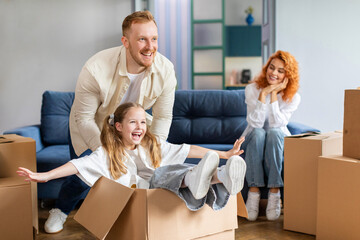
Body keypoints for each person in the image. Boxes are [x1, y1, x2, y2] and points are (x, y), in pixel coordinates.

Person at [46, 10, 178, 233]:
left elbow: (164, 117)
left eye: (154, 38)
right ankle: (60, 210)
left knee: (146, 170)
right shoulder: (95, 68)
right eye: (142, 39)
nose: (150, 46)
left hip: (133, 127)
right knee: (84, 174)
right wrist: (106, 154)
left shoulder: (166, 70)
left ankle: (123, 216)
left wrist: (155, 149)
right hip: (91, 125)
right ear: (125, 41)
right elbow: (83, 117)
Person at [18, 103, 247, 215]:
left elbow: (187, 150)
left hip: (176, 193)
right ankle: (197, 178)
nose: (140, 127)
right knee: (161, 174)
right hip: (146, 198)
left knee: (183, 167)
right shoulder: (108, 153)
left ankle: (223, 175)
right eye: (133, 122)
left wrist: (225, 155)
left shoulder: (152, 144)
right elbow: (79, 165)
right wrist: (46, 175)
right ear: (118, 127)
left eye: (143, 122)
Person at [241, 50, 300, 221]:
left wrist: (274, 94)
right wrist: (263, 94)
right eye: (271, 68)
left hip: (276, 142)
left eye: (280, 71)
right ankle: (253, 193)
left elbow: (276, 125)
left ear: (287, 75)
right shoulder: (251, 89)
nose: (273, 73)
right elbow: (255, 124)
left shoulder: (294, 97)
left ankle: (275, 193)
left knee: (274, 133)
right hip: (252, 140)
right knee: (259, 133)